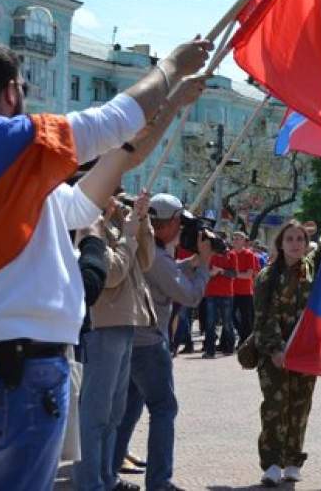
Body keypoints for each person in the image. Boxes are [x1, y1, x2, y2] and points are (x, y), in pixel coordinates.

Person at [0, 36, 211, 489]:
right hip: (20, 375)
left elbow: (101, 180)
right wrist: (171, 65)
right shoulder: (9, 143)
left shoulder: (15, 179)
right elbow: (114, 120)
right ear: (10, 92)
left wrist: (171, 105)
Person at [112, 193, 214, 491]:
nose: (182, 229)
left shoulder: (142, 245)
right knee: (163, 408)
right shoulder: (155, 254)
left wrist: (190, 263)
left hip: (129, 338)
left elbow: (164, 273)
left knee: (128, 408)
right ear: (169, 224)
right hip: (149, 343)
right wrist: (205, 264)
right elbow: (190, 295)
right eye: (179, 223)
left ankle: (108, 473)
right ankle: (159, 482)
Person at [73, 191, 156, 491]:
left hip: (125, 322)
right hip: (103, 325)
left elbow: (146, 261)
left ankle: (106, 478)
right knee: (96, 413)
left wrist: (141, 219)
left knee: (114, 412)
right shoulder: (89, 226)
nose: (120, 199)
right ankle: (88, 482)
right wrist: (130, 235)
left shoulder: (119, 224)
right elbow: (111, 274)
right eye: (114, 192)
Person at [254, 220, 321, 485]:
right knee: (274, 407)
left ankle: (293, 461)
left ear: (306, 245)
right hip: (274, 355)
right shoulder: (267, 276)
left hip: (306, 354)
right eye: (290, 239)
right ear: (280, 244)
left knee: (299, 407)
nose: (295, 244)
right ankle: (271, 463)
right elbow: (263, 317)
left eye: (300, 239)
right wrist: (275, 350)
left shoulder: (313, 272)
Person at [203, 246, 238, 358]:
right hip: (211, 293)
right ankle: (209, 351)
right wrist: (210, 273)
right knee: (210, 323)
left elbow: (234, 274)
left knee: (227, 323)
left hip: (226, 294)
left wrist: (221, 271)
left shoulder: (231, 255)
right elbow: (203, 272)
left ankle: (229, 348)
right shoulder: (209, 254)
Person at [232, 231, 258, 345]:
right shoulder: (230, 254)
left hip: (245, 291)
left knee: (246, 318)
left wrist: (232, 274)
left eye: (238, 238)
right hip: (231, 291)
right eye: (234, 238)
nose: (235, 240)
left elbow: (248, 275)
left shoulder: (249, 254)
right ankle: (241, 336)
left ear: (243, 241)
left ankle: (245, 341)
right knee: (230, 316)